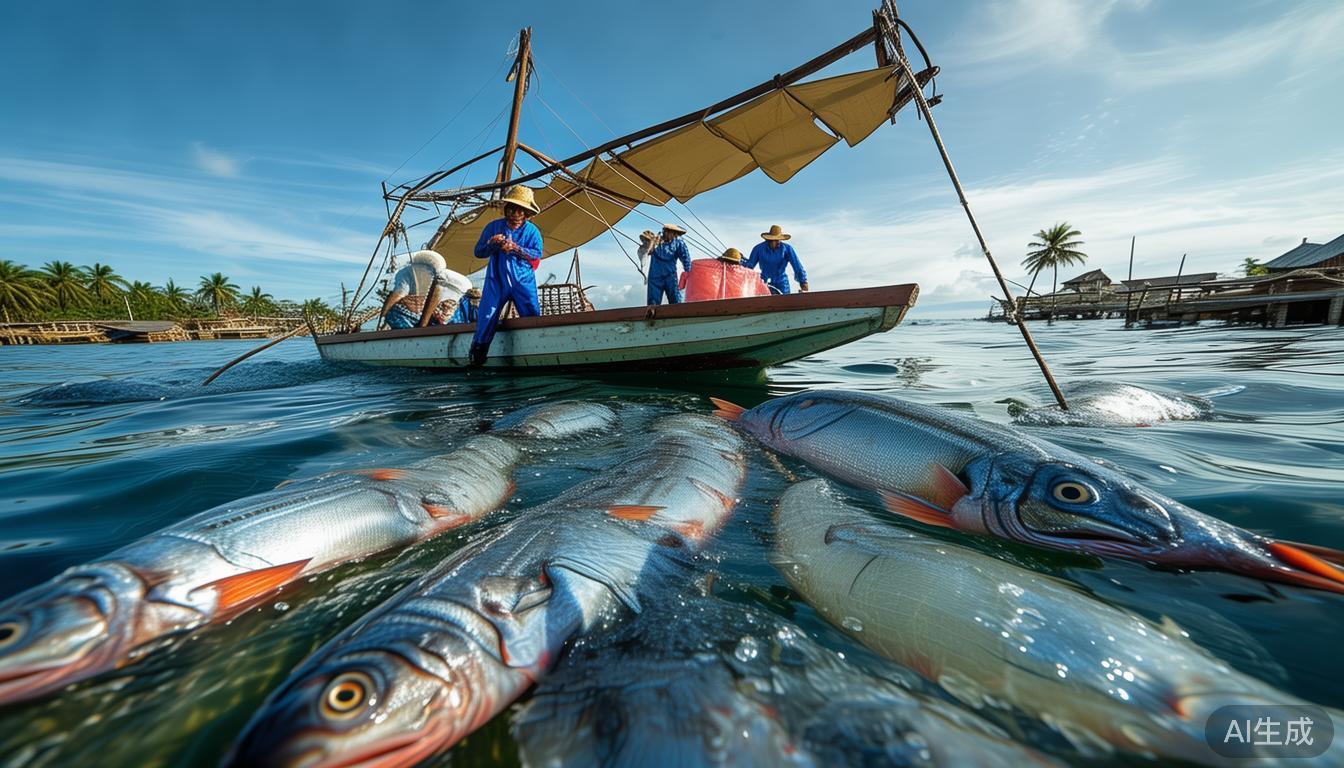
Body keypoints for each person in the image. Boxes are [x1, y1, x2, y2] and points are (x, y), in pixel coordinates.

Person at [469, 185, 543, 366]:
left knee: (532, 315)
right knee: (487, 316)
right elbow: (479, 252)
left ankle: (537, 353)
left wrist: (516, 248)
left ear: (526, 213)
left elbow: (536, 254)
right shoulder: (493, 227)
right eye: (511, 207)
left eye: (519, 210)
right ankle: (477, 357)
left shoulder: (532, 231)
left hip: (523, 281)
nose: (514, 213)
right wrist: (492, 244)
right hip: (496, 280)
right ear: (506, 208)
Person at [379, 251, 471, 329]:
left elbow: (398, 294)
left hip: (429, 319)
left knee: (393, 313)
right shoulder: (410, 273)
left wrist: (383, 315)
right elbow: (399, 294)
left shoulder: (442, 278)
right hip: (428, 320)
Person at [678, 247, 770, 302]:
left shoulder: (699, 265)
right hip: (737, 308)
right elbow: (764, 290)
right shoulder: (747, 274)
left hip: (702, 307)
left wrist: (680, 286)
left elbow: (685, 276)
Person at [745, 224, 809, 294]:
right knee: (765, 302)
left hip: (782, 284)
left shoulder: (787, 249)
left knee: (784, 303)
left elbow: (797, 266)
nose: (778, 242)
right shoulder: (758, 249)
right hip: (764, 283)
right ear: (769, 240)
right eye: (775, 240)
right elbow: (749, 266)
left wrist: (803, 282)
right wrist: (737, 262)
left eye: (779, 240)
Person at [639, 224, 691, 305]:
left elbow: (686, 258)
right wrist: (647, 244)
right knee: (653, 303)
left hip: (670, 276)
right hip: (655, 277)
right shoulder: (655, 241)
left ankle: (677, 315)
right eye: (668, 232)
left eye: (674, 234)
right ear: (665, 232)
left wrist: (688, 273)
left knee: (675, 301)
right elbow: (646, 250)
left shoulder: (678, 243)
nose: (672, 235)